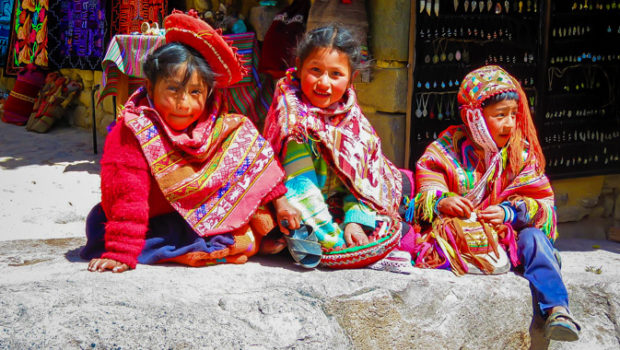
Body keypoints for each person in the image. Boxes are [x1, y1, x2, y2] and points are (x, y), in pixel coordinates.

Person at [80, 10, 299, 273]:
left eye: (195, 92)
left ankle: (251, 235)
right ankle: (242, 241)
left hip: (205, 212)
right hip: (153, 218)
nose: (183, 103)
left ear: (208, 94)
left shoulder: (227, 126)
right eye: (172, 89)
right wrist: (121, 251)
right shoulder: (133, 131)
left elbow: (258, 163)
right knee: (103, 226)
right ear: (150, 88)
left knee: (254, 194)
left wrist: (282, 203)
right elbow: (128, 196)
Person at [409, 65, 581, 341]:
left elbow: (543, 206)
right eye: (500, 116)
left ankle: (558, 309)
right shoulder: (444, 150)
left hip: (508, 238)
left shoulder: (520, 155)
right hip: (462, 236)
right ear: (474, 117)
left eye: (514, 114)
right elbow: (428, 190)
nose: (510, 124)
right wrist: (444, 202)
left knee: (535, 240)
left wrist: (509, 212)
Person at [262, 24, 415, 270]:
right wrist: (334, 239)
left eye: (336, 74)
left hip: (336, 202)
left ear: (351, 78)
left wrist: (356, 221)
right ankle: (308, 238)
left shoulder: (350, 115)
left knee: (406, 230)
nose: (324, 83)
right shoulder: (294, 119)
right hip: (300, 205)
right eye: (315, 70)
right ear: (299, 68)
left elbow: (362, 179)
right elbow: (301, 187)